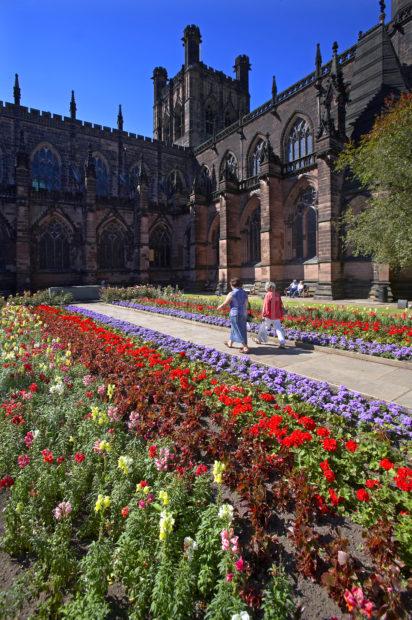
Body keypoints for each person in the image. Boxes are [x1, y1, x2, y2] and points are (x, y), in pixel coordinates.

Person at [217, 277, 249, 354]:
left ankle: (245, 347)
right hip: (243, 313)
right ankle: (230, 343)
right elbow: (246, 304)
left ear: (232, 285)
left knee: (237, 329)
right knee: (237, 328)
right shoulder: (244, 293)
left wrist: (219, 307)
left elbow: (225, 303)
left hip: (235, 313)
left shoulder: (232, 293)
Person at [255, 281, 286, 348]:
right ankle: (282, 342)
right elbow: (281, 305)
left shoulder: (268, 294)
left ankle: (258, 339)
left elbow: (265, 305)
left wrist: (263, 314)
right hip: (277, 315)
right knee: (278, 329)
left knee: (264, 328)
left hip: (268, 315)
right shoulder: (277, 294)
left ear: (268, 288)